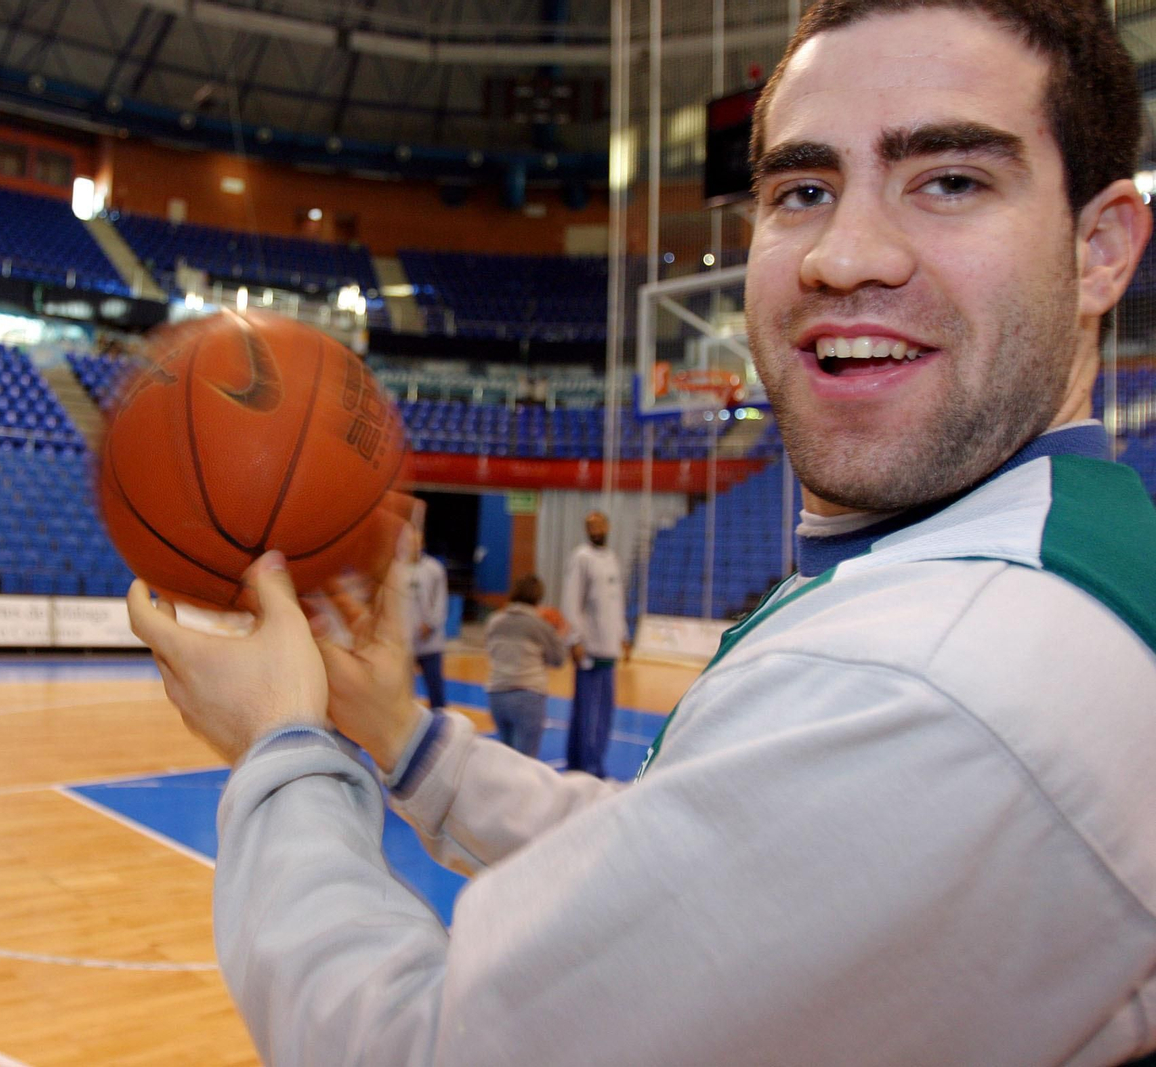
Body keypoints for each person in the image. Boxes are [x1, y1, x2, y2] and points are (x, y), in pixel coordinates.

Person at [128, 1, 1156, 1062]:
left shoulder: (942, 680)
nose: (844, 255)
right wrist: (405, 737)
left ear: (1098, 248)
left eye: (949, 181)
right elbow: (709, 891)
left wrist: (282, 748)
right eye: (803, 189)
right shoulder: (1029, 572)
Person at [559, 509, 628, 776]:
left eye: (599, 525)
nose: (595, 530)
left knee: (599, 710)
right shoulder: (581, 557)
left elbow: (616, 601)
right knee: (591, 713)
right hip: (590, 647)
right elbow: (570, 601)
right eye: (590, 526)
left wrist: (623, 635)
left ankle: (579, 763)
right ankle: (590, 767)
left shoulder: (612, 558)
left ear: (607, 526)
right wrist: (574, 639)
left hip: (609, 648)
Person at [483, 574, 565, 757]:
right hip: (528, 695)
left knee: (506, 759)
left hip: (497, 694)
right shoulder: (539, 626)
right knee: (526, 763)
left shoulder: (494, 621)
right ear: (538, 597)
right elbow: (558, 659)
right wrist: (559, 634)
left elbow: (490, 650)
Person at [409, 534, 449, 713]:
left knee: (435, 689)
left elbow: (441, 601)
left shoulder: (434, 569)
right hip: (405, 644)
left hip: (430, 643)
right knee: (403, 692)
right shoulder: (395, 569)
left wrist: (430, 624)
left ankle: (441, 721)